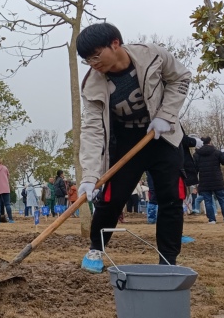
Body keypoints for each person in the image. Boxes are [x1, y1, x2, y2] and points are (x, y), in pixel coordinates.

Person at [75, 22, 190, 273]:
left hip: (161, 135)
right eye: (87, 60)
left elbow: (180, 77)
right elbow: (92, 130)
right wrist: (90, 176)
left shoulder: (152, 55)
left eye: (96, 56)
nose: (93, 63)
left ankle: (168, 260)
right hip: (126, 141)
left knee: (172, 197)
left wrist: (166, 115)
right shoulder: (91, 85)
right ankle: (96, 248)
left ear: (115, 44)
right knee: (111, 198)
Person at [194, 137, 224, 224]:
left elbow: (195, 169)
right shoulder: (217, 152)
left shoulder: (197, 154)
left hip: (204, 181)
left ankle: (212, 220)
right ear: (210, 142)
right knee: (222, 200)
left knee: (208, 201)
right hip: (217, 180)